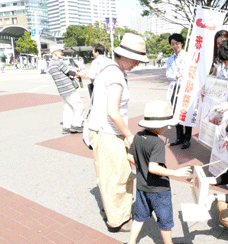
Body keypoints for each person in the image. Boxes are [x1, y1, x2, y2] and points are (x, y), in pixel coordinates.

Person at [87, 33, 149, 232]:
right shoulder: (115, 75)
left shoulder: (109, 70)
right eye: (135, 60)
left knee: (110, 175)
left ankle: (112, 210)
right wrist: (129, 135)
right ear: (123, 56)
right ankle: (119, 219)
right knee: (118, 176)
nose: (137, 64)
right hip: (109, 133)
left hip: (103, 131)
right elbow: (113, 112)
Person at [127, 100, 192, 244]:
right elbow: (153, 168)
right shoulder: (157, 143)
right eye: (166, 125)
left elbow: (129, 156)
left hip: (142, 187)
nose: (168, 127)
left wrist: (140, 167)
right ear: (159, 127)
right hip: (159, 189)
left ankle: (131, 242)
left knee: (139, 217)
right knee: (165, 221)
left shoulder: (137, 136)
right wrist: (176, 173)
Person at [47, 45, 85, 134]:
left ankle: (66, 127)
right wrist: (78, 74)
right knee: (79, 106)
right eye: (60, 51)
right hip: (68, 88)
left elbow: (63, 74)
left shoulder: (50, 65)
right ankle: (76, 125)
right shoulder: (57, 63)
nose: (62, 53)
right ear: (55, 53)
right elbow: (68, 71)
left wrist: (72, 76)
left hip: (62, 90)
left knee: (67, 108)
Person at [166, 33, 192, 150]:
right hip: (174, 88)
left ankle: (187, 139)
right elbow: (167, 74)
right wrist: (174, 76)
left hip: (185, 88)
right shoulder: (170, 59)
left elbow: (193, 71)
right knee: (176, 113)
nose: (175, 46)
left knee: (186, 113)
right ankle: (179, 137)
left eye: (177, 43)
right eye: (172, 44)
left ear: (181, 43)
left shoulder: (188, 56)